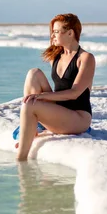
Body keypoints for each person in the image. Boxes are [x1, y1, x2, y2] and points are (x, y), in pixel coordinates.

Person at [16, 13, 94, 161]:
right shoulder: (56, 57)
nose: (52, 36)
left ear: (70, 33)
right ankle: (31, 131)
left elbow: (74, 93)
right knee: (33, 73)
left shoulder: (86, 58)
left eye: (57, 31)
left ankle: (21, 160)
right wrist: (40, 98)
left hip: (78, 118)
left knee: (29, 106)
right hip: (60, 112)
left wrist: (41, 97)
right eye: (52, 32)